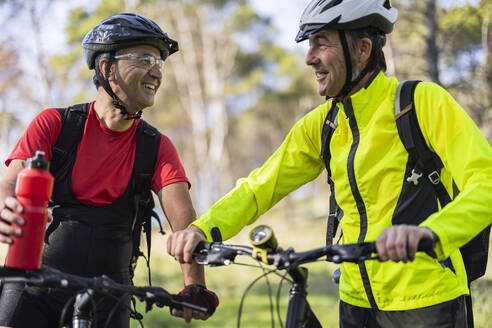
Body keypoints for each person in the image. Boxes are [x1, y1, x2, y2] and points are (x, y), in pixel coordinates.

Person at [167, 0, 492, 327]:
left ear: (363, 49)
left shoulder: (420, 103)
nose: (309, 58)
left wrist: (430, 233)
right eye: (310, 45)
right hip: (355, 303)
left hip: (428, 303)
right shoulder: (323, 125)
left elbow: (485, 183)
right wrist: (201, 228)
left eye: (321, 42)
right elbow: (258, 187)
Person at [0, 13, 217, 327]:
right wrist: (7, 207)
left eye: (160, 63)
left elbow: (183, 219)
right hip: (35, 283)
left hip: (109, 291)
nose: (157, 71)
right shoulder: (56, 125)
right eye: (144, 59)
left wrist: (195, 285)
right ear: (106, 68)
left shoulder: (157, 146)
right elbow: (9, 184)